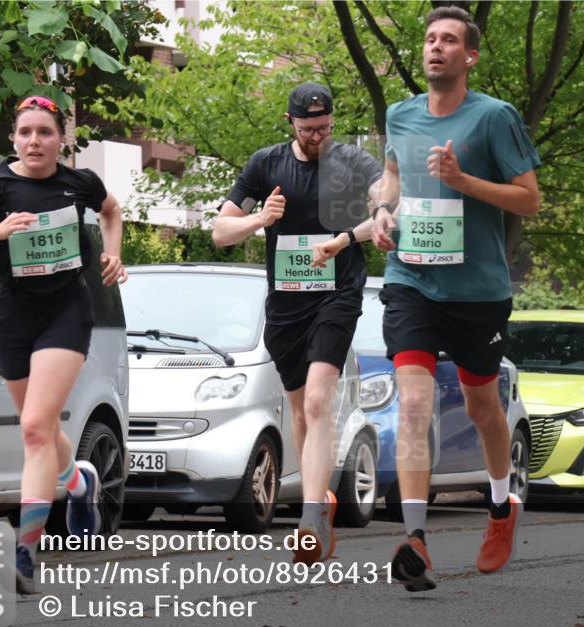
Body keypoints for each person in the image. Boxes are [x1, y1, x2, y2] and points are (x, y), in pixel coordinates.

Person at [371, 6, 541, 591]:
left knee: (481, 408)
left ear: (468, 56)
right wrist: (381, 210)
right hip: (411, 279)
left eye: (448, 41)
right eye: (429, 39)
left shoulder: (495, 118)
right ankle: (415, 538)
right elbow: (390, 178)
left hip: (477, 292)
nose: (435, 47)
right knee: (413, 406)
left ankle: (500, 507)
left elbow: (528, 200)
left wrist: (465, 182)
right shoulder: (400, 114)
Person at [0, 95, 127, 593]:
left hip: (66, 313)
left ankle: (24, 550)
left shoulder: (79, 181)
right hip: (13, 317)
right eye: (26, 133)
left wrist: (112, 254)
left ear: (62, 138)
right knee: (35, 428)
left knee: (37, 428)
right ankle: (79, 481)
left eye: (45, 132)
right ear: (14, 139)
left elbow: (111, 210)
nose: (35, 141)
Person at [213, 83, 382, 564]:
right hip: (286, 305)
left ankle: (309, 519)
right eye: (308, 129)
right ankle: (319, 500)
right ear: (290, 123)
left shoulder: (353, 161)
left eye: (324, 127)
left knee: (317, 399)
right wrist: (260, 219)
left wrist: (343, 240)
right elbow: (220, 232)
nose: (317, 136)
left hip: (338, 295)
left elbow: (387, 212)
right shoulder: (265, 164)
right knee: (303, 415)